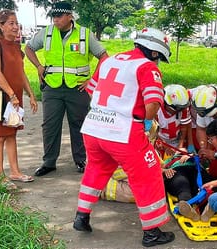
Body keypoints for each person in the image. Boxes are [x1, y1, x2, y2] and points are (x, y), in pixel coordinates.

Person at [73, 27, 175, 247]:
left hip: (93, 128)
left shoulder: (109, 61)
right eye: (159, 58)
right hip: (124, 133)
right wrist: (144, 123)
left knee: (96, 169)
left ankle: (82, 216)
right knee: (148, 176)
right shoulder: (147, 67)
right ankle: (152, 232)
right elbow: (153, 104)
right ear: (155, 52)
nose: (158, 63)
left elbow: (92, 89)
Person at [24, 1, 108, 176]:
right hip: (52, 87)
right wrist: (39, 66)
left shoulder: (84, 34)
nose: (55, 20)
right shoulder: (46, 33)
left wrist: (92, 81)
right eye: (53, 16)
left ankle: (81, 160)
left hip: (77, 89)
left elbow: (104, 56)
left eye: (59, 16)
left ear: (70, 16)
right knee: (50, 125)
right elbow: (29, 48)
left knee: (79, 124)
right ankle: (49, 162)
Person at [0, 10, 38, 189]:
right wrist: (11, 94)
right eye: (11, 23)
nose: (16, 27)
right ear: (1, 25)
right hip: (2, 97)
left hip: (15, 97)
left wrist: (31, 94)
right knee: (0, 136)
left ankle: (15, 171)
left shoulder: (15, 46)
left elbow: (21, 73)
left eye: (17, 23)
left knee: (12, 133)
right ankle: (0, 176)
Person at [154, 84, 193, 159]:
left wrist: (180, 145)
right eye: (178, 109)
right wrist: (165, 146)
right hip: (160, 141)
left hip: (176, 141)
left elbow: (184, 127)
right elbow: (154, 131)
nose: (180, 111)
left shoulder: (183, 108)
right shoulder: (157, 110)